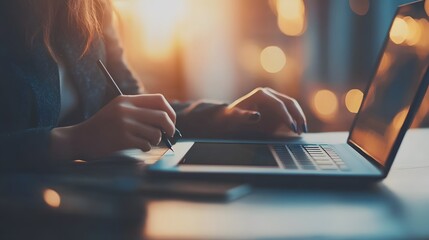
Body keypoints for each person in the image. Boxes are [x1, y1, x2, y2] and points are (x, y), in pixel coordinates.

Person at [0, 0, 307, 167]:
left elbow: (135, 106)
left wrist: (222, 117)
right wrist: (73, 141)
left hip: (79, 209)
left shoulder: (90, 8)